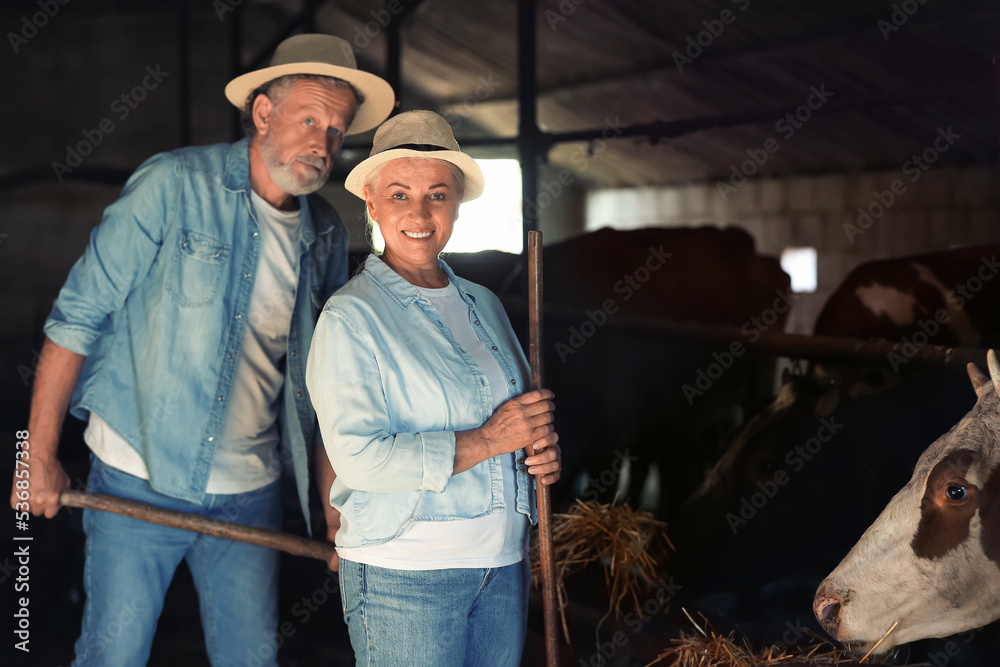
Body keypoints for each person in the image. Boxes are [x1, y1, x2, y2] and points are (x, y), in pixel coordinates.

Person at [9, 34, 393, 665]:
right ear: (263, 113)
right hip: (138, 478)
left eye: (335, 129)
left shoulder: (325, 233)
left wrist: (334, 514)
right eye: (308, 120)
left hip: (251, 490)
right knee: (114, 656)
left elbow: (321, 390)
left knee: (250, 660)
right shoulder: (172, 185)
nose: (323, 145)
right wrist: (38, 454)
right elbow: (75, 318)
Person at [306, 109, 562, 667]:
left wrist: (537, 453)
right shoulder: (351, 317)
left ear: (457, 204)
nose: (419, 213)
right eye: (399, 195)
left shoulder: (486, 305)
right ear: (371, 205)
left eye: (437, 195)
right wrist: (492, 440)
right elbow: (357, 459)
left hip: (502, 567)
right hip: (406, 576)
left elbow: (516, 424)